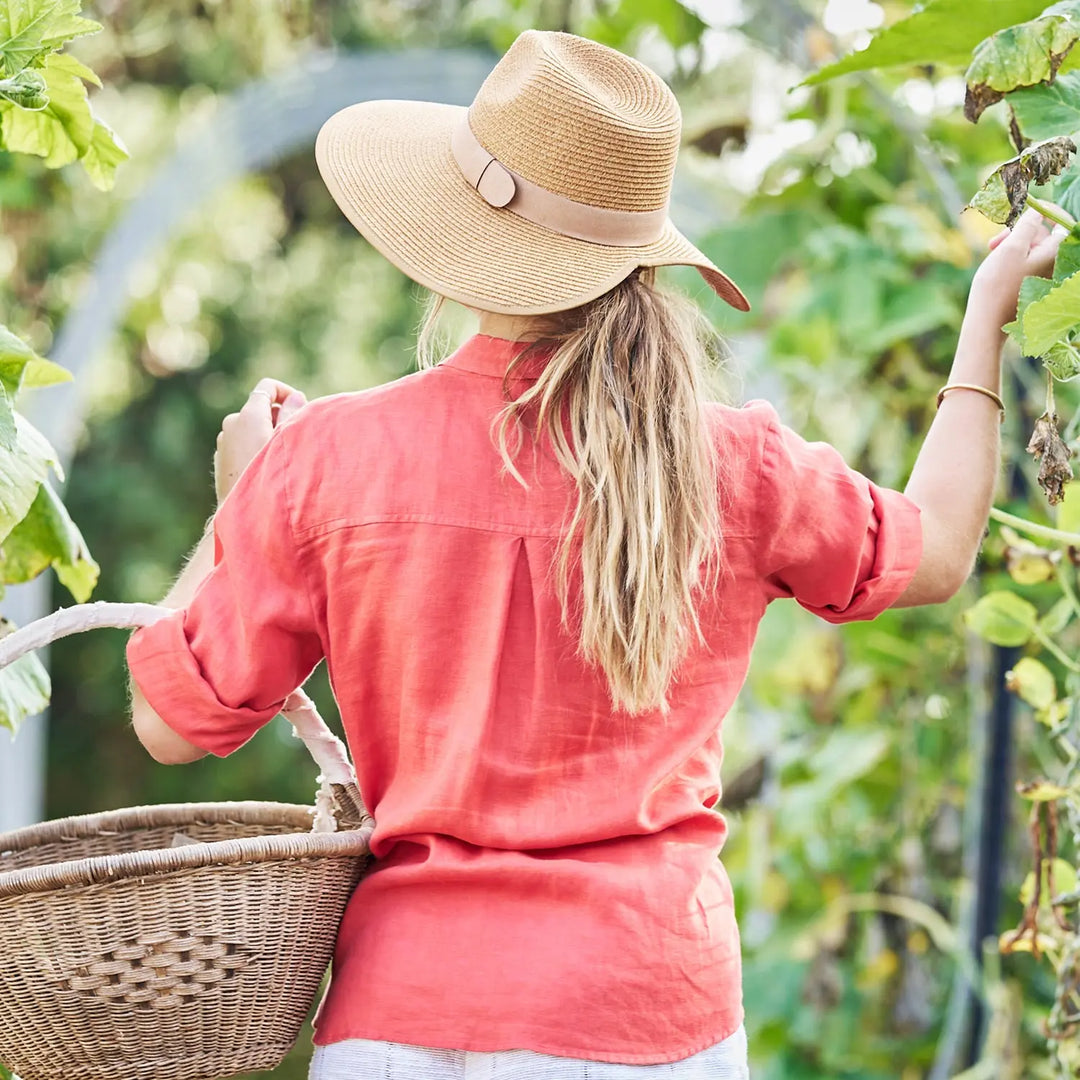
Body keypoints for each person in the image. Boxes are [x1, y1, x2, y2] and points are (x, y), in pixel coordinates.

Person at [126, 28, 1066, 1080]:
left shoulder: (328, 461)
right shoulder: (735, 462)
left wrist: (239, 503)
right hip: (649, 1012)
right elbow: (933, 551)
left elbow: (173, 722)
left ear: (457, 230)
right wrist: (986, 315)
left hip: (407, 1011)